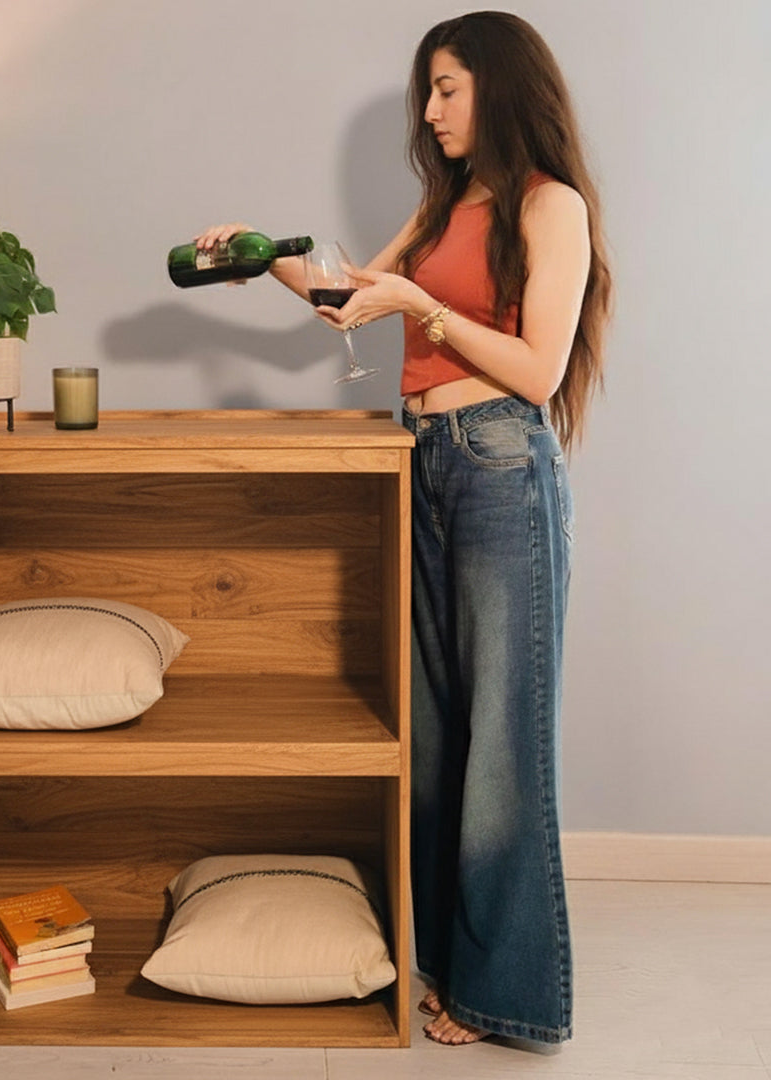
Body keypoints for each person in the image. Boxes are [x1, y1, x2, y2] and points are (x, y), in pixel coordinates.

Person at [194, 10, 611, 1047]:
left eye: (448, 87)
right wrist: (258, 254)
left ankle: (506, 997)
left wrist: (422, 311)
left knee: (502, 743)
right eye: (429, 88)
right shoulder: (443, 207)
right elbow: (347, 300)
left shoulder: (550, 206)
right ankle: (455, 969)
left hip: (500, 461)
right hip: (421, 463)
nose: (430, 110)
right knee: (434, 736)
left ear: (501, 88)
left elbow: (538, 371)